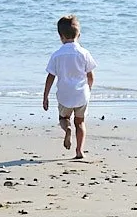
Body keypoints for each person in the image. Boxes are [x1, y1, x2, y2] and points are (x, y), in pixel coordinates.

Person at [41, 15, 96, 160]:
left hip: (65, 95)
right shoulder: (84, 53)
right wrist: (88, 89)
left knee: (63, 118)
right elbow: (90, 76)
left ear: (60, 36)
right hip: (81, 94)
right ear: (79, 35)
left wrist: (45, 96)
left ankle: (67, 129)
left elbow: (50, 77)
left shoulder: (57, 55)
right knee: (80, 122)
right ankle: (79, 151)